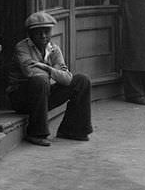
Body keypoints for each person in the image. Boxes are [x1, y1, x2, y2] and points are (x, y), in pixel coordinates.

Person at [8, 11, 93, 146]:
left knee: (82, 81)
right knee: (40, 80)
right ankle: (36, 133)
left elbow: (67, 79)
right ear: (30, 34)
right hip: (22, 98)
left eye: (47, 32)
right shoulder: (22, 48)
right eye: (38, 33)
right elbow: (32, 73)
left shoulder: (54, 49)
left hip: (44, 94)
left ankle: (72, 130)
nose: (43, 36)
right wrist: (55, 73)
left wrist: (47, 68)